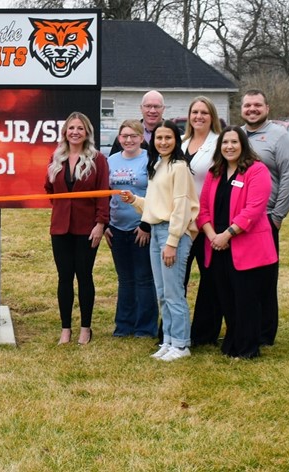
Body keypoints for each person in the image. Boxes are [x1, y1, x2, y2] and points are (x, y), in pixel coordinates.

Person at [121, 120, 199, 361]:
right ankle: (168, 340)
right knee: (162, 292)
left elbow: (181, 207)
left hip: (171, 233)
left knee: (175, 292)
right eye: (159, 138)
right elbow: (155, 206)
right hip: (155, 231)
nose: (163, 142)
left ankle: (181, 344)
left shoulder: (179, 166)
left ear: (176, 140)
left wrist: (173, 241)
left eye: (168, 138)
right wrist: (134, 200)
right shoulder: (157, 164)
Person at [197, 126, 276, 359]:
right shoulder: (215, 173)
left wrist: (227, 235)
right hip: (217, 246)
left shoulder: (256, 170)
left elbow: (253, 210)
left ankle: (248, 347)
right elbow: (202, 210)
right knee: (226, 297)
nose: (229, 146)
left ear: (243, 145)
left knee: (246, 299)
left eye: (234, 142)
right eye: (225, 143)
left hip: (245, 246)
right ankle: (232, 341)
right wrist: (212, 236)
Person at [45, 112, 109, 345]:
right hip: (60, 228)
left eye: (80, 128)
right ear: (65, 133)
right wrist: (63, 208)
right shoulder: (56, 158)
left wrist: (100, 224)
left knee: (84, 276)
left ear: (87, 133)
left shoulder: (98, 159)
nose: (75, 132)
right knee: (64, 278)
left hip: (86, 228)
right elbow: (49, 190)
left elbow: (103, 194)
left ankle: (85, 328)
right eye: (71, 128)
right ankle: (65, 329)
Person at [240, 89, 289, 345]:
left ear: (267, 108)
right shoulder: (237, 135)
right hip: (239, 220)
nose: (252, 109)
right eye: (248, 105)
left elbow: (288, 178)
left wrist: (277, 216)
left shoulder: (279, 137)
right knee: (243, 277)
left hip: (266, 218)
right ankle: (243, 325)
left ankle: (265, 332)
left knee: (264, 277)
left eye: (257, 105)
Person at [104, 119, 157, 338]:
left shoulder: (149, 160)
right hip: (117, 228)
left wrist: (146, 225)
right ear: (119, 138)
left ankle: (145, 328)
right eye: (124, 136)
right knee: (125, 279)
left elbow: (156, 195)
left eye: (133, 136)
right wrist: (106, 223)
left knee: (144, 279)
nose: (128, 140)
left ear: (141, 138)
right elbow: (105, 193)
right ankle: (124, 326)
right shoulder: (111, 160)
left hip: (141, 228)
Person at [181, 96, 223, 346]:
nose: (198, 116)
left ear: (212, 116)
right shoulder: (182, 142)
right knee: (179, 279)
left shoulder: (219, 143)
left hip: (208, 222)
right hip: (182, 222)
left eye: (204, 113)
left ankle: (205, 334)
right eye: (194, 112)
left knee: (210, 278)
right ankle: (176, 330)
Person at [109, 90, 165, 156]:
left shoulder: (175, 134)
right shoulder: (125, 137)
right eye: (148, 106)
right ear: (141, 108)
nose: (152, 111)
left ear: (163, 109)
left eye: (156, 106)